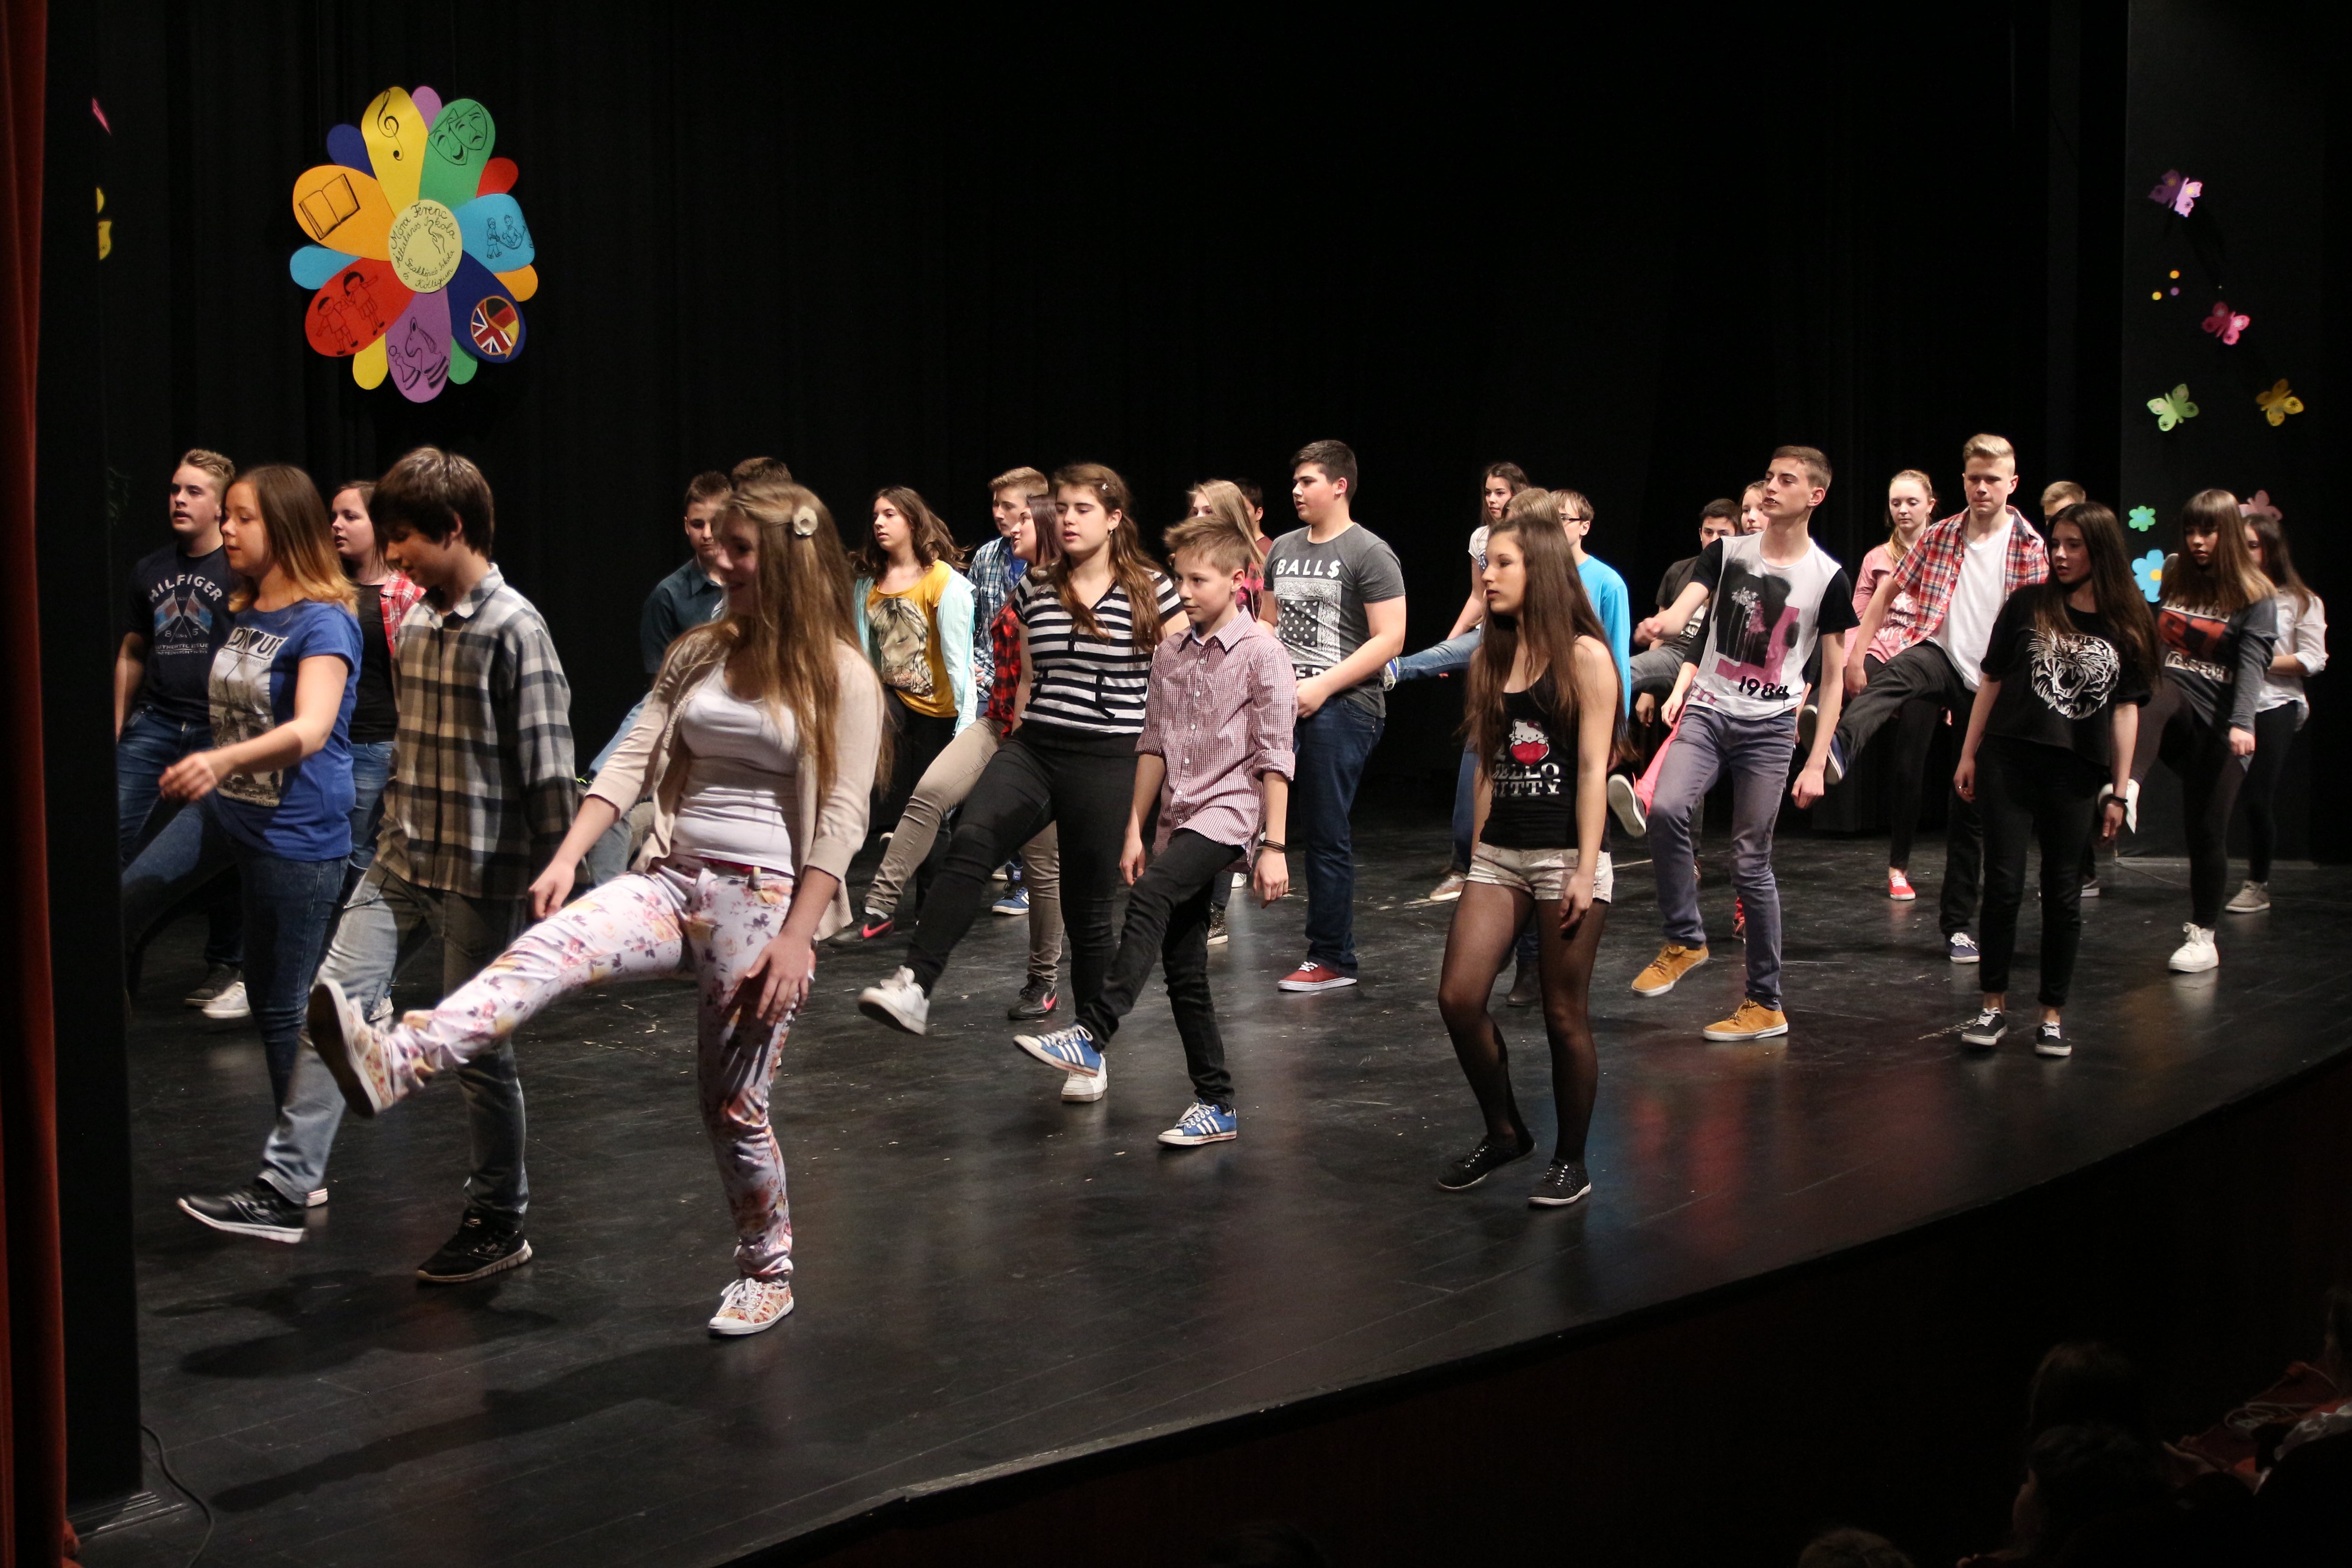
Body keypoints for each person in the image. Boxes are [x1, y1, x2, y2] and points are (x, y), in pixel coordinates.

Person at [305, 477, 884, 1338]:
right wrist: (570, 854)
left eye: (740, 549)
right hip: (671, 879)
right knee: (544, 953)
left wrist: (800, 936)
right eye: (719, 545)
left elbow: (842, 813)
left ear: (790, 562)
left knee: (733, 1107)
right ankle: (400, 1059)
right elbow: (633, 755)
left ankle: (767, 1270)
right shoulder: (700, 651)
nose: (720, 562)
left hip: (763, 902)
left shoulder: (841, 674)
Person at [176, 448, 577, 1284]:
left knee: (478, 1056)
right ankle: (286, 1187)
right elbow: (410, 747)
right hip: (400, 860)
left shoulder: (516, 629)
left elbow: (547, 769)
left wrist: (561, 878)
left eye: (402, 539)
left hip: (479, 875)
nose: (390, 555)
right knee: (330, 1007)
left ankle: (498, 1218)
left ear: (452, 528)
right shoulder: (417, 621)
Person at [857, 463, 1182, 1047]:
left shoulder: (1150, 588)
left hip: (1108, 756)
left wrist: (1149, 805)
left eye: (1084, 509)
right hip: (1035, 746)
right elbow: (1030, 678)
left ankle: (1088, 1046)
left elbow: (1180, 685)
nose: (1069, 519)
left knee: (1088, 913)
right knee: (972, 840)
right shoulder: (1037, 585)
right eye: (1064, 508)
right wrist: (1011, 746)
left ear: (1114, 519)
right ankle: (915, 984)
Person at [1009, 514, 1294, 1141]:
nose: (1183, 592)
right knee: (1184, 968)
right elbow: (1154, 744)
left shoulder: (1263, 653)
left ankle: (1092, 1033)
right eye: (1180, 579)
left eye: (1198, 580)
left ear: (1237, 581)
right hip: (1178, 813)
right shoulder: (1170, 652)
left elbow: (1276, 754)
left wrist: (1274, 844)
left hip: (1230, 811)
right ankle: (1216, 1103)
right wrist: (1135, 830)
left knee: (1153, 896)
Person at [121, 465, 360, 1120]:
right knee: (126, 902)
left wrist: (219, 759)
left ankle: (298, 1159)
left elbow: (312, 729)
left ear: (284, 527)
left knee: (278, 1007)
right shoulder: (245, 609)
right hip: (231, 811)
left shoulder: (325, 622)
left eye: (243, 517)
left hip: (296, 832)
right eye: (226, 514)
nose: (227, 528)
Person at [1630, 447, 1856, 1041]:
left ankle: (1765, 1003)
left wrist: (1817, 759)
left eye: (1788, 480)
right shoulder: (1726, 553)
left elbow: (1835, 679)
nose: (1772, 487)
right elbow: (1684, 610)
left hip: (1771, 728)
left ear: (1816, 496)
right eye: (1770, 477)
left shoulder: (1827, 577)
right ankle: (1685, 939)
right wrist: (1662, 625)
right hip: (1708, 711)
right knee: (1666, 808)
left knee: (1751, 862)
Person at [1431, 491, 1619, 1203]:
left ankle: (1572, 1160)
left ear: (1538, 569)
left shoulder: (1585, 657)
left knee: (1563, 1014)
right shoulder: (1493, 655)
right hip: (1501, 855)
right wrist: (1477, 854)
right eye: (1487, 564)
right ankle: (1506, 1131)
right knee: (1458, 998)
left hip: (1564, 855)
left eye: (1503, 563)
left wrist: (1584, 869)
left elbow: (1595, 770)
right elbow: (1489, 762)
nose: (1488, 575)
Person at [832, 480, 1068, 1033]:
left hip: (1044, 739)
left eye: (1022, 521)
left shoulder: (1065, 594)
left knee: (1043, 867)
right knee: (929, 793)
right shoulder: (1022, 583)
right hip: (998, 720)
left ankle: (1043, 979)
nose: (1010, 527)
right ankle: (878, 909)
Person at [1828, 435, 2050, 962]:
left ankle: (1958, 926)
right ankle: (1840, 744)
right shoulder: (1943, 535)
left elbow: (2041, 624)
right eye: (1974, 478)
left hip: (1992, 682)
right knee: (1898, 673)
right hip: (1943, 653)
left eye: (1992, 479)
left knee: (1968, 805)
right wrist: (1857, 655)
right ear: (1964, 481)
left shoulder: (2030, 546)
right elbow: (1888, 590)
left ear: (2012, 484)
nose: (1981, 488)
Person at [1951, 502, 2154, 1056]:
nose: (2060, 555)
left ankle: (2051, 1015)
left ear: (2100, 551)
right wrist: (1968, 753)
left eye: (2074, 546)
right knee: (2003, 886)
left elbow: (2126, 711)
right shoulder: (2027, 604)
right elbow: (1991, 681)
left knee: (2064, 895)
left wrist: (2119, 790)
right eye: (2055, 544)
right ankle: (1992, 1006)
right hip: (2008, 760)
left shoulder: (2125, 621)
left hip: (2076, 772)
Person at [1260, 440, 1407, 990]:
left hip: (1346, 704)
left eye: (1308, 481)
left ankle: (1333, 958)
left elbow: (1390, 638)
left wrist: (1322, 686)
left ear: (1340, 485)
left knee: (1325, 830)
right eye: (1295, 482)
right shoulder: (1283, 549)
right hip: (1285, 701)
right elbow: (1269, 622)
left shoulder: (1369, 551)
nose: (1296, 491)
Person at [118, 447, 245, 1017]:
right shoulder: (150, 570)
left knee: (221, 847)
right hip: (158, 721)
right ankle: (119, 962)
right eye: (175, 489)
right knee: (116, 835)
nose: (179, 499)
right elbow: (133, 650)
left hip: (218, 729)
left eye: (194, 492)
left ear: (221, 507)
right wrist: (118, 722)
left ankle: (226, 963)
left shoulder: (239, 569)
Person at [2127, 488, 2275, 972]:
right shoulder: (2177, 574)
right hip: (2176, 710)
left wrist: (2243, 724)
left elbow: (2253, 664)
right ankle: (2126, 787)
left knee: (2206, 831)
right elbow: (2162, 642)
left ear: (2227, 533)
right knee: (2160, 688)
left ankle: (2204, 937)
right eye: (2190, 531)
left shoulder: (2256, 594)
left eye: (2208, 531)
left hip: (2220, 730)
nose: (2197, 540)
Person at [582, 471, 735, 887]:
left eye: (715, 522)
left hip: (737, 710)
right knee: (604, 783)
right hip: (675, 705)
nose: (707, 533)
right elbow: (662, 689)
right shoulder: (669, 596)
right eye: (697, 524)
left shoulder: (758, 585)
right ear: (686, 526)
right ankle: (606, 897)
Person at [1394, 462, 1529, 903]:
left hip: (1522, 645)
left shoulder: (1537, 540)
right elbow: (1478, 597)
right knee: (1477, 748)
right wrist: (1450, 647)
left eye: (1501, 492)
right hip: (1489, 640)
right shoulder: (1480, 538)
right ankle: (1461, 863)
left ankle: (1499, 863)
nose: (1493, 499)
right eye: (1488, 492)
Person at [853, 486, 975, 848]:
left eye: (890, 515)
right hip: (893, 698)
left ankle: (930, 881)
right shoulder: (869, 583)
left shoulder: (943, 582)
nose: (879, 522)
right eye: (876, 516)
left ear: (913, 521)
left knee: (931, 808)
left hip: (938, 709)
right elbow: (865, 651)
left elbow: (960, 660)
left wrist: (966, 721)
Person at [1185, 479, 1275, 946]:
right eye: (1195, 511)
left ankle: (1215, 911)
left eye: (1208, 511)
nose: (1198, 518)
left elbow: (1264, 623)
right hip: (1193, 688)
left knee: (1227, 795)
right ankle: (1195, 903)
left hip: (1236, 690)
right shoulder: (1189, 564)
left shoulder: (1251, 565)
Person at [1846, 470, 1941, 900]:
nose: (1903, 510)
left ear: (1930, 505)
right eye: (1896, 503)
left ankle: (1898, 867)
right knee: (1842, 672)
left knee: (1908, 767)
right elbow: (1857, 618)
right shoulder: (1876, 558)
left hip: (1925, 659)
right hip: (1881, 651)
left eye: (1912, 503)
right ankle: (1828, 736)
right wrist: (1852, 663)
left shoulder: (1944, 556)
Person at [2228, 512, 2326, 913]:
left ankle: (2258, 883)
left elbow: (2313, 659)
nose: (2245, 553)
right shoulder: (2228, 594)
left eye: (2253, 546)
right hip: (2229, 704)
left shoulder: (2300, 600)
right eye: (2241, 545)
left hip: (2275, 705)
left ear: (2270, 550)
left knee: (2257, 798)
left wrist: (2256, 660)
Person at [329, 479, 422, 901]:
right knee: (331, 847)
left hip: (375, 742)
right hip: (329, 741)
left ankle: (355, 938)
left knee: (361, 851)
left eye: (350, 516)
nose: (337, 525)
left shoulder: (404, 594)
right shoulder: (327, 590)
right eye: (334, 516)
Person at [1629, 498, 1739, 727]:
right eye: (1708, 532)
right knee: (1619, 673)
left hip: (1709, 664)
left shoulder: (1742, 576)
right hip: (1674, 653)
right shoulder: (1680, 569)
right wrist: (1648, 693)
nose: (1714, 540)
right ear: (1700, 534)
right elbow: (1661, 629)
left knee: (1694, 708)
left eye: (1723, 534)